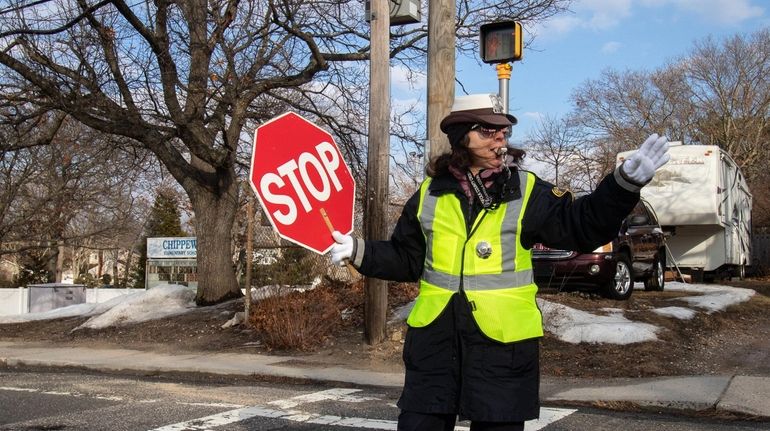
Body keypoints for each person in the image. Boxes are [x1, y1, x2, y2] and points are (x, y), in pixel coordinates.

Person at [329, 93, 669, 431]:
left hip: (502, 350)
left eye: (503, 130)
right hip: (436, 347)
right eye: (488, 130)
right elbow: (406, 258)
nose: (500, 137)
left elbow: (581, 225)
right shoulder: (429, 196)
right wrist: (359, 251)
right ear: (462, 136)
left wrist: (622, 186)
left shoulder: (525, 191)